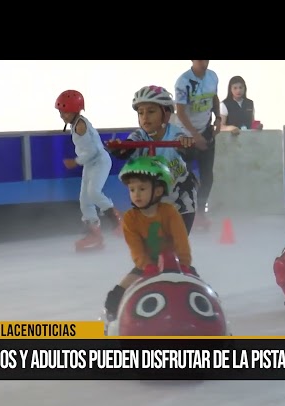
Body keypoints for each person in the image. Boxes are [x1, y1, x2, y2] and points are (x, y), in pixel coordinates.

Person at [103, 156, 197, 323]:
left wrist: (184, 264)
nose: (136, 194)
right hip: (146, 266)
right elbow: (136, 249)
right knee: (115, 296)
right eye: (132, 190)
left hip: (176, 263)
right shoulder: (131, 218)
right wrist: (147, 267)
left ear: (159, 191)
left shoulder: (169, 212)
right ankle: (113, 325)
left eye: (142, 188)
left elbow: (181, 242)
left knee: (199, 289)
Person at [106, 85, 198, 234]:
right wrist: (119, 148)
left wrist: (185, 145)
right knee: (151, 247)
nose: (144, 117)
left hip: (180, 201)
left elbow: (186, 148)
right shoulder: (139, 136)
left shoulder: (175, 133)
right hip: (150, 201)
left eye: (151, 111)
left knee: (176, 243)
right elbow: (127, 147)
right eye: (140, 113)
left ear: (166, 115)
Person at [55, 89, 121, 252]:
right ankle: (94, 232)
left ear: (74, 110)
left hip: (99, 162)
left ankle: (116, 219)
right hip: (90, 164)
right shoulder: (76, 123)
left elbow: (93, 151)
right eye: (61, 112)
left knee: (94, 193)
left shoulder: (81, 125)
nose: (62, 115)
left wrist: (75, 161)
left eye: (64, 112)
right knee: (85, 201)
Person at [173, 60, 220, 230]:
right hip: (185, 135)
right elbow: (180, 111)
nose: (203, 62)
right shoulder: (183, 81)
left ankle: (200, 212)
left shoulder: (213, 76)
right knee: (185, 177)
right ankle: (185, 212)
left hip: (206, 130)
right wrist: (194, 135)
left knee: (207, 175)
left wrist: (218, 119)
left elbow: (214, 97)